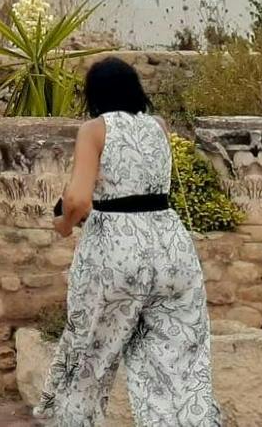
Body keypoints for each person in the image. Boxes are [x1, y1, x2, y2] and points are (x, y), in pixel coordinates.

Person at [35, 56, 222, 427]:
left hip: (117, 252)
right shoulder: (158, 125)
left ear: (94, 94)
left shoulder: (94, 129)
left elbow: (78, 199)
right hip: (171, 249)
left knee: (89, 356)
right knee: (177, 362)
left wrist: (64, 224)